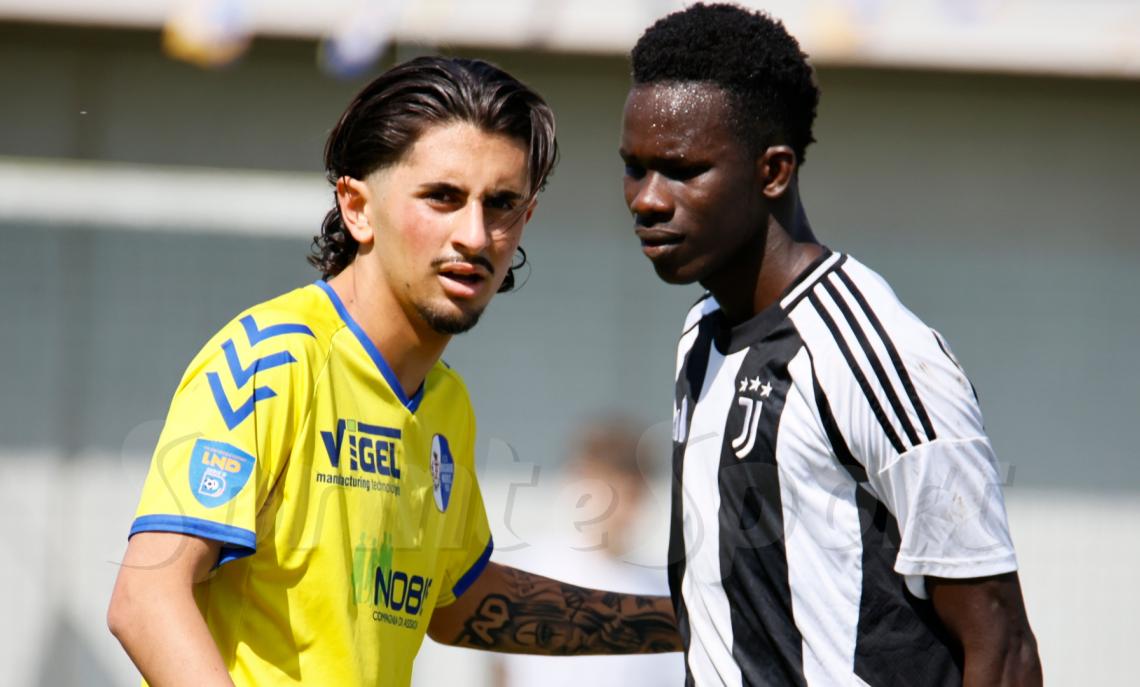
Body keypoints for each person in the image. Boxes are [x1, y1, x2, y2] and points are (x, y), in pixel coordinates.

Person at [107, 56, 680, 687]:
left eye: (501, 204)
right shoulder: (274, 359)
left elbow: (463, 603)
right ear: (356, 207)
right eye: (442, 196)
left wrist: (686, 617)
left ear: (525, 222)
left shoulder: (445, 401)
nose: (474, 233)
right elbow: (147, 599)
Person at [619, 4, 1042, 686]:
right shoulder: (700, 335)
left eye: (681, 169)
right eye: (634, 168)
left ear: (774, 171)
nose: (646, 198)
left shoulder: (873, 350)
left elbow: (1005, 646)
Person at [488, 417, 685, 687]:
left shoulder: (662, 591)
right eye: (609, 487)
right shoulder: (532, 571)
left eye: (630, 491)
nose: (621, 505)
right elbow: (500, 670)